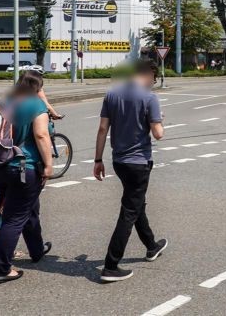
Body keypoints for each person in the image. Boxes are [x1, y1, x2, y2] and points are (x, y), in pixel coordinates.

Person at [94, 59, 168, 283]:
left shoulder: (112, 94)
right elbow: (158, 134)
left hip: (119, 161)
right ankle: (111, 265)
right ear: (148, 74)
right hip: (139, 162)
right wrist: (159, 121)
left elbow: (102, 128)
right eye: (153, 80)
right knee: (129, 211)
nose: (152, 84)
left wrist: (98, 159)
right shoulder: (149, 98)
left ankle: (151, 245)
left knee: (135, 204)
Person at [0, 69, 63, 257]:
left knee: (30, 208)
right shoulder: (35, 105)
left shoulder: (4, 102)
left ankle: (36, 250)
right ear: (38, 88)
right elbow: (41, 135)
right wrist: (48, 165)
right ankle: (2, 267)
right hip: (22, 167)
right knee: (14, 218)